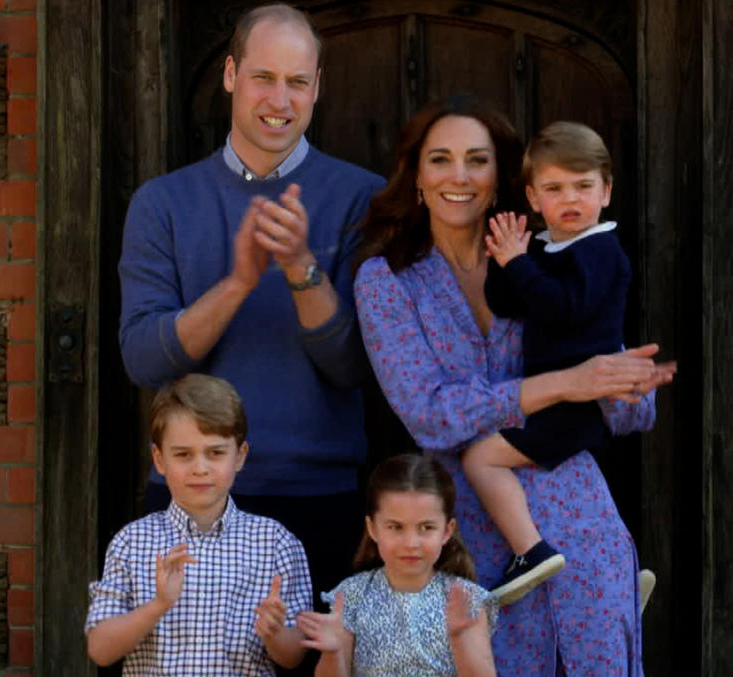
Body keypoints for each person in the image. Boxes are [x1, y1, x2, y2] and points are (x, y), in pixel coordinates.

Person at [353, 94, 674, 676]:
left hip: (580, 519)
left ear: (500, 178)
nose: (459, 176)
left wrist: (626, 383)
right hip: (465, 533)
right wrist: (564, 384)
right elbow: (430, 414)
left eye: (477, 160)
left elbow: (627, 406)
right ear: (417, 177)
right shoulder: (387, 281)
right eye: (440, 160)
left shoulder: (547, 256)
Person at [116, 2, 385, 648]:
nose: (280, 100)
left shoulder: (363, 199)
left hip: (321, 502)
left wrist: (299, 268)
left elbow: (356, 366)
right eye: (264, 77)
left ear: (318, 87)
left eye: (298, 82)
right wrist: (237, 281)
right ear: (231, 75)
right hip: (189, 507)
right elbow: (143, 361)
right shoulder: (163, 202)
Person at [463, 121, 675, 605]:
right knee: (574, 494)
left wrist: (519, 263)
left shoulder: (601, 251)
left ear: (607, 191)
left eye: (583, 186)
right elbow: (507, 303)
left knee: (481, 458)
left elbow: (563, 308)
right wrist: (505, 258)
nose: (571, 199)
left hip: (576, 403)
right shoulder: (546, 247)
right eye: (555, 188)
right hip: (556, 396)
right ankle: (616, 580)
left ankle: (530, 552)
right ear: (534, 199)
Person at [85, 374, 312, 675]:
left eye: (215, 453)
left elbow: (295, 656)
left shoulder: (275, 543)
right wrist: (158, 605)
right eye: (183, 454)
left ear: (240, 456)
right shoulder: (132, 542)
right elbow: (100, 650)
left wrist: (275, 633)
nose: (200, 468)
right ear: (160, 459)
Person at [298, 454, 497, 677]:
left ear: (447, 531)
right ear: (372, 528)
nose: (411, 543)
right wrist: (333, 653)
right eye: (395, 527)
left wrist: (460, 641)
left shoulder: (465, 599)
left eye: (426, 527)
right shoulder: (351, 596)